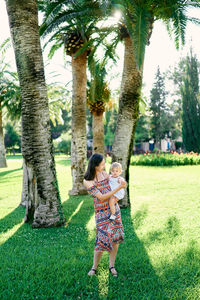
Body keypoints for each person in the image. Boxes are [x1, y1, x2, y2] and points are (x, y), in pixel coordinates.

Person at [83, 153, 126, 277]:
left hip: (114, 210)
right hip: (101, 213)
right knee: (101, 240)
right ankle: (94, 268)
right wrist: (118, 189)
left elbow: (115, 179)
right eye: (102, 164)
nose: (104, 166)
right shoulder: (88, 181)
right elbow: (101, 197)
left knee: (115, 239)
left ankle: (111, 266)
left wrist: (121, 181)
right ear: (95, 165)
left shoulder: (104, 174)